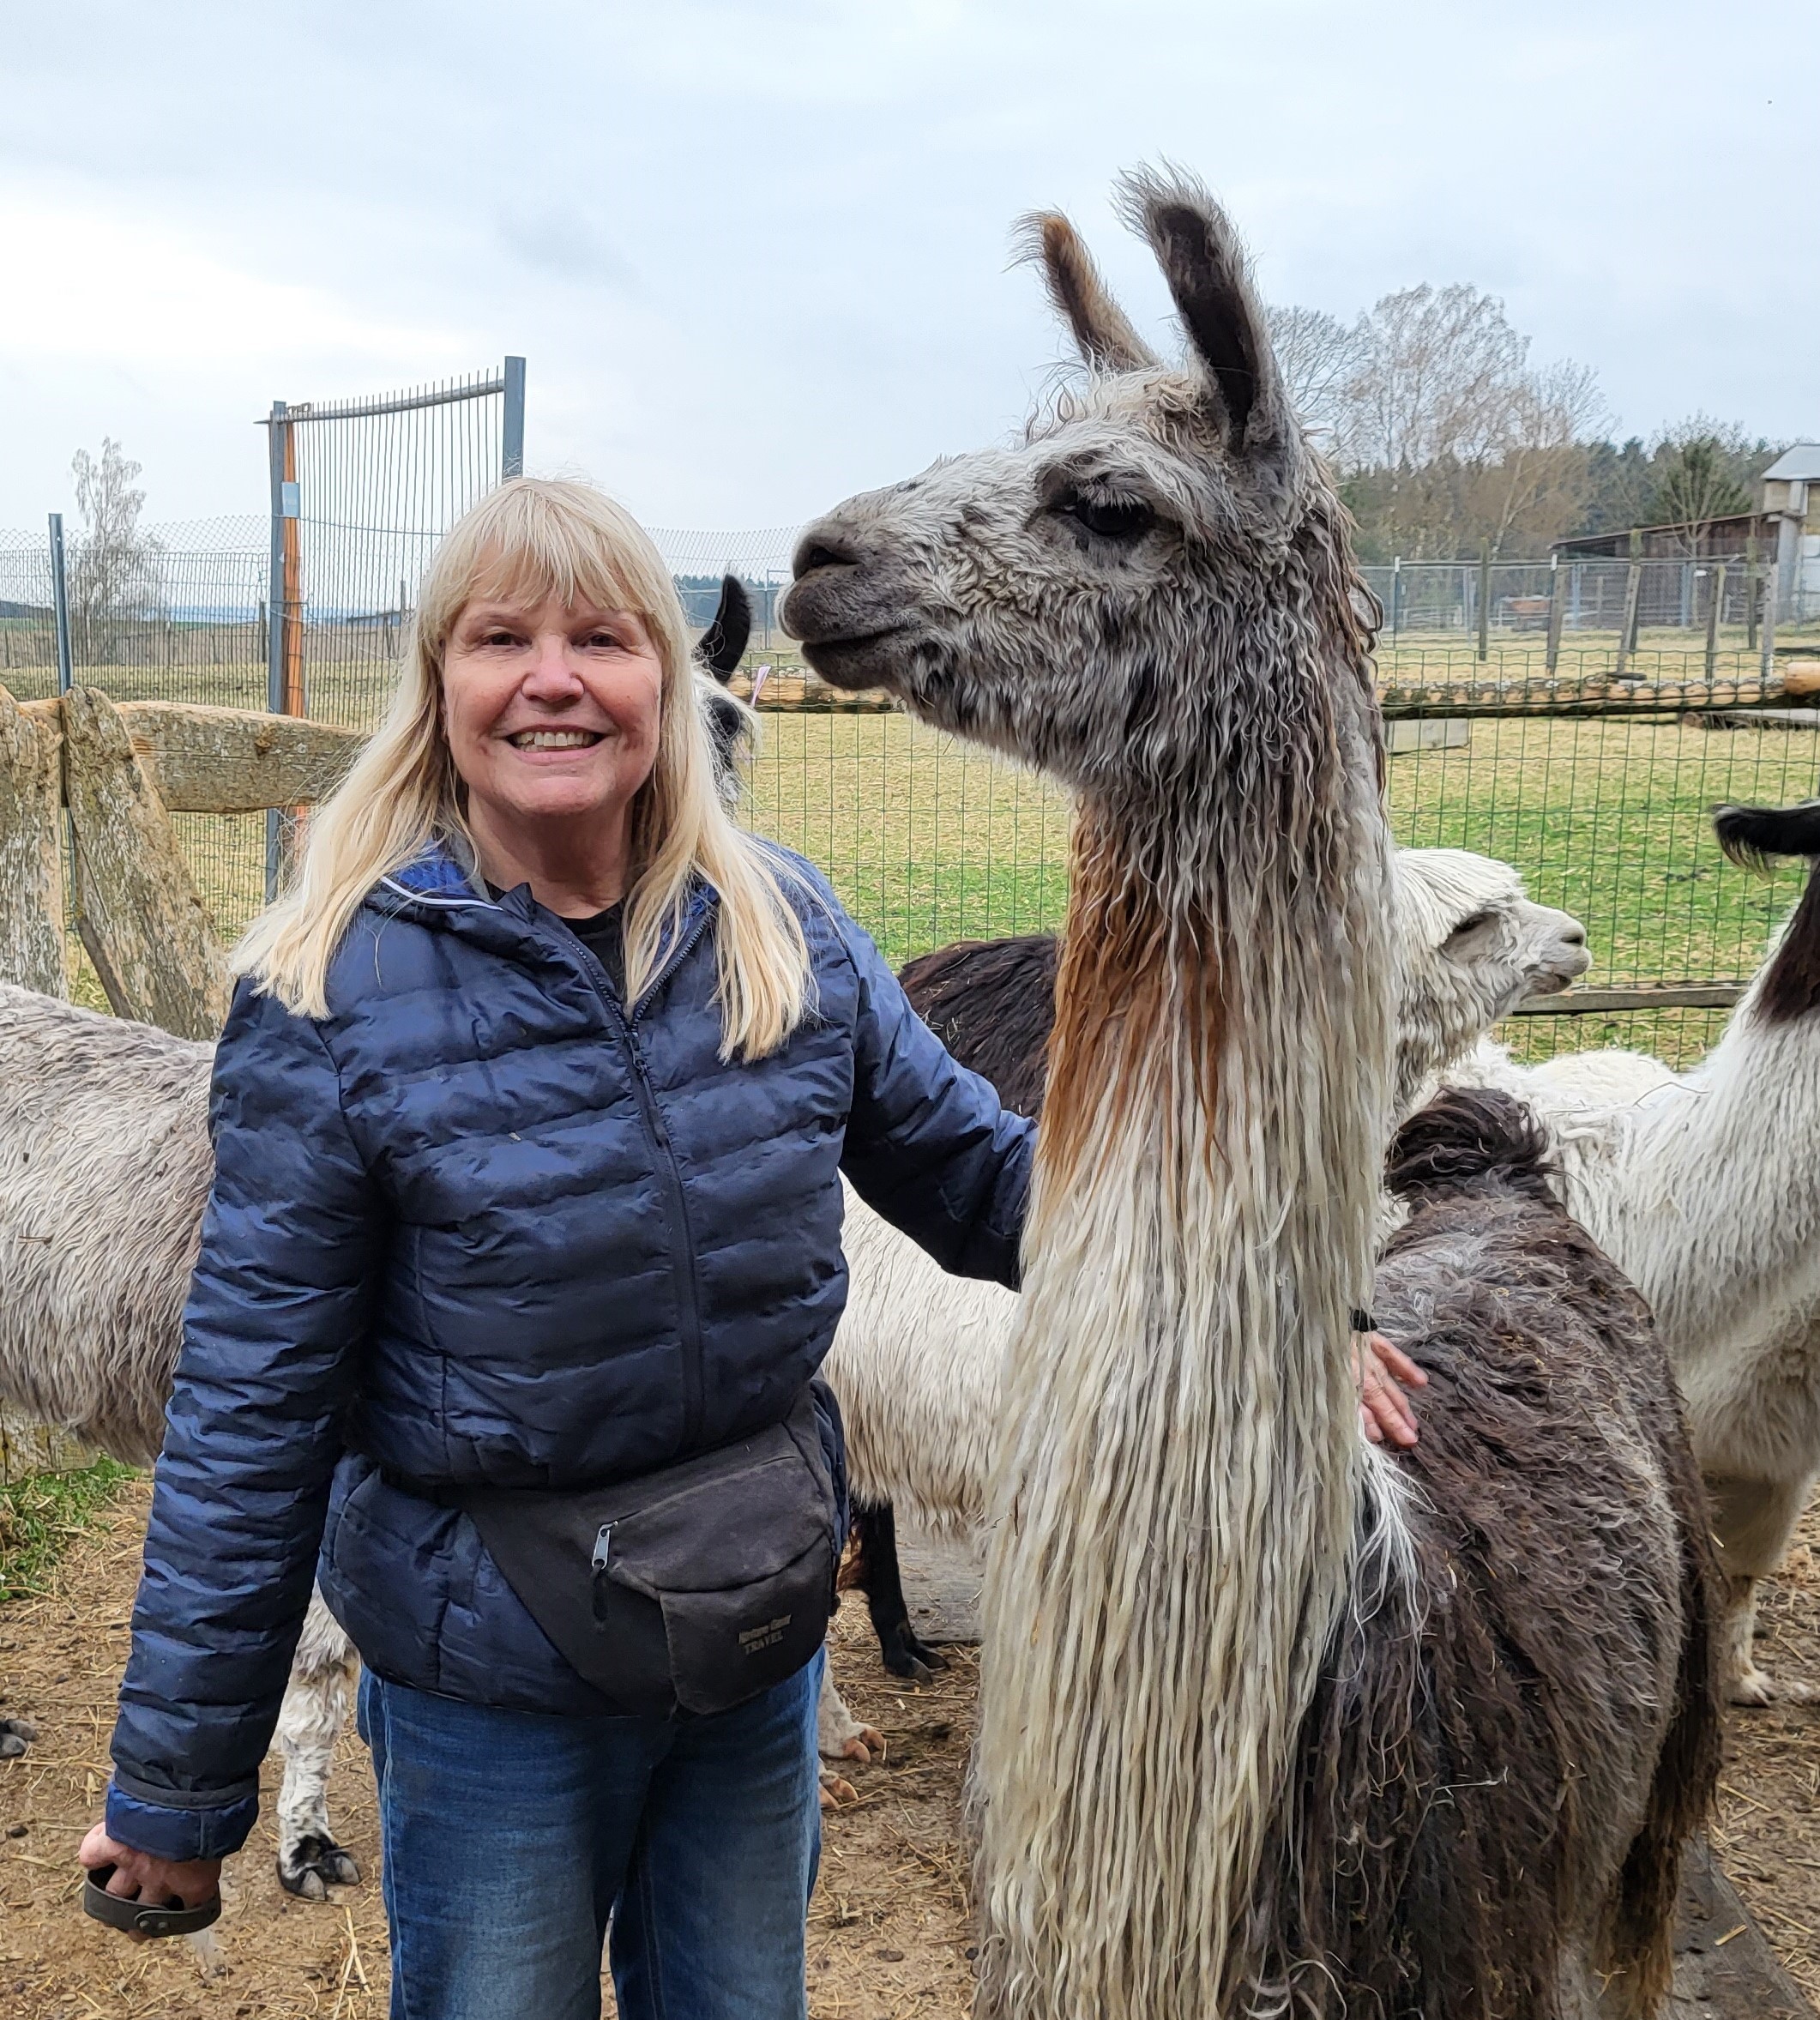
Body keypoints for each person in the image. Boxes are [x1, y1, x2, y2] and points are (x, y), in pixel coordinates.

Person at [78, 476, 1422, 2017]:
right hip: (498, 1681)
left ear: (668, 674)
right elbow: (251, 1411)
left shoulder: (782, 928)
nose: (555, 678)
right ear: (439, 684)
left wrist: (1269, 1314)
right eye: (501, 638)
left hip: (749, 1638)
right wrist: (178, 1792)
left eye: (602, 635)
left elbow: (991, 1181)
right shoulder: (330, 994)